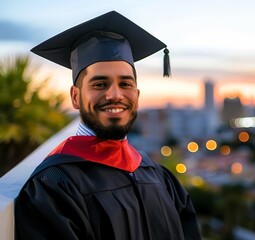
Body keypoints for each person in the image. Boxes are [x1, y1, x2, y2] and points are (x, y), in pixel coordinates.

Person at [14, 11, 201, 240]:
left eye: (125, 84)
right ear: (75, 97)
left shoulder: (158, 175)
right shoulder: (53, 185)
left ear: (137, 94)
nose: (115, 95)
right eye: (100, 84)